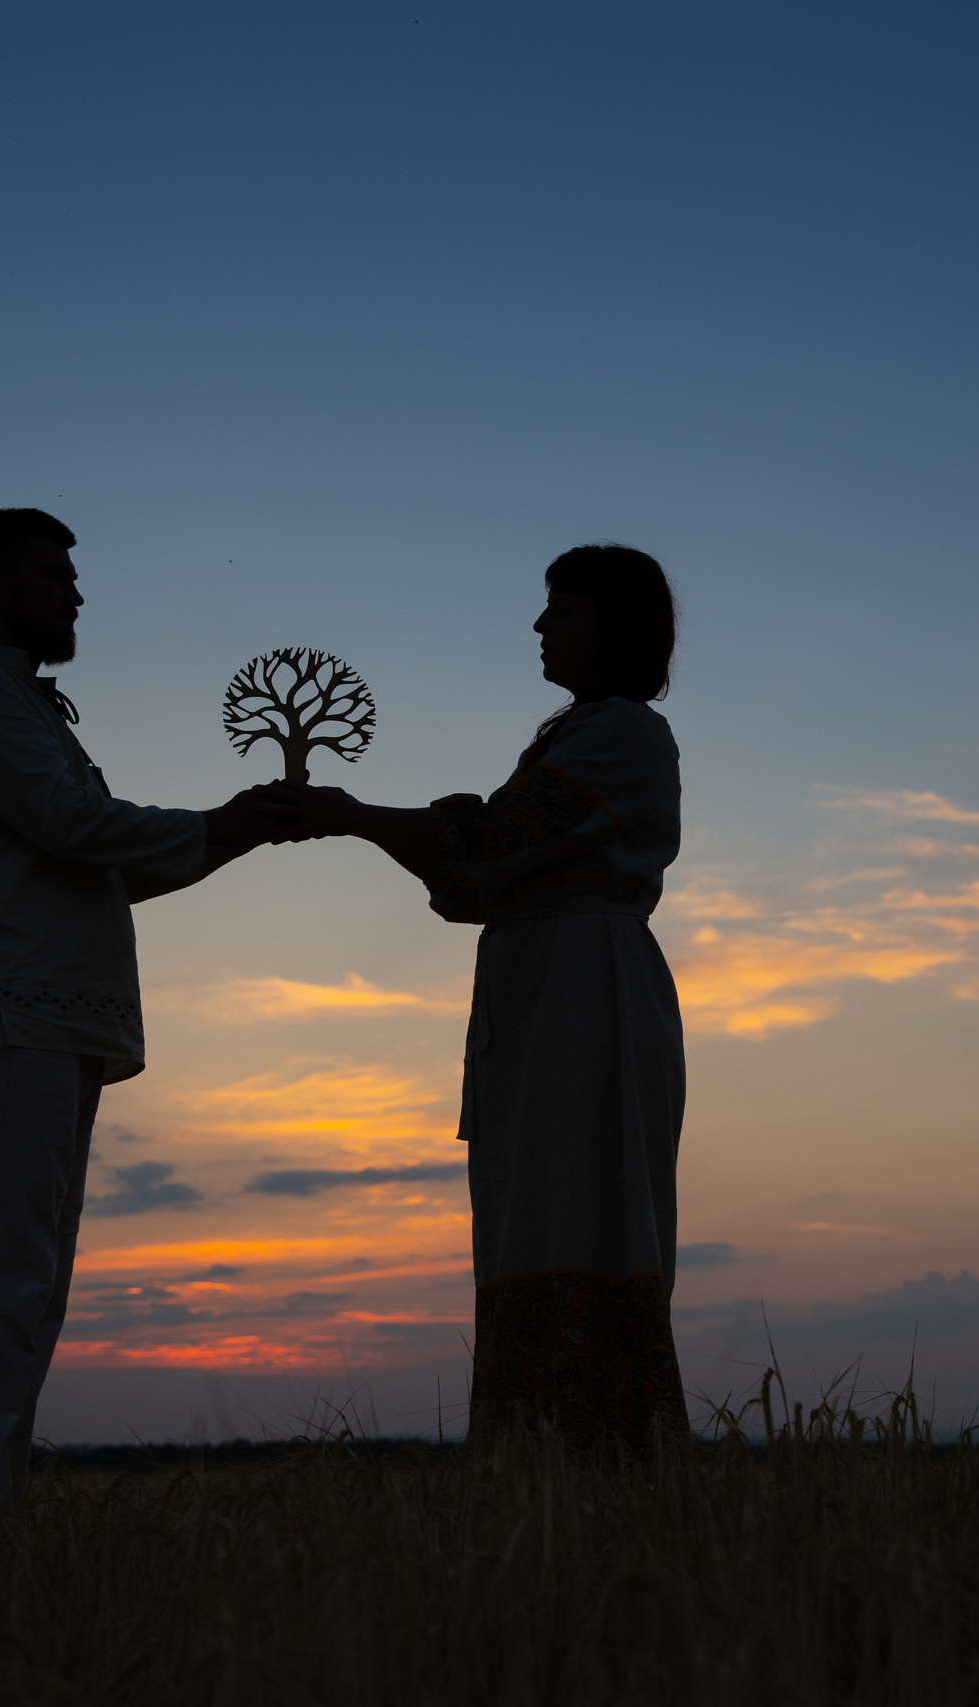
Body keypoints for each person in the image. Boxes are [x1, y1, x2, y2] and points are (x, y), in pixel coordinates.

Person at [0, 507, 291, 1499]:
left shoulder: (26, 713)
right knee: (2, 1285)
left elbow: (97, 863)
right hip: (9, 1021)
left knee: (29, 1288)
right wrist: (226, 822)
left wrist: (234, 834)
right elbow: (75, 826)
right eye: (53, 573)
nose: (76, 594)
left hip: (52, 1023)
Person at [275, 544, 690, 1453]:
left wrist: (350, 815)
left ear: (618, 627)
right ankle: (542, 1471)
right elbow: (474, 878)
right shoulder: (572, 736)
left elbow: (493, 843)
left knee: (584, 1222)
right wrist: (359, 820)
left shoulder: (624, 733)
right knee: (530, 1225)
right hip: (545, 993)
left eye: (563, 610)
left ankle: (597, 1465)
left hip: (589, 1001)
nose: (541, 627)